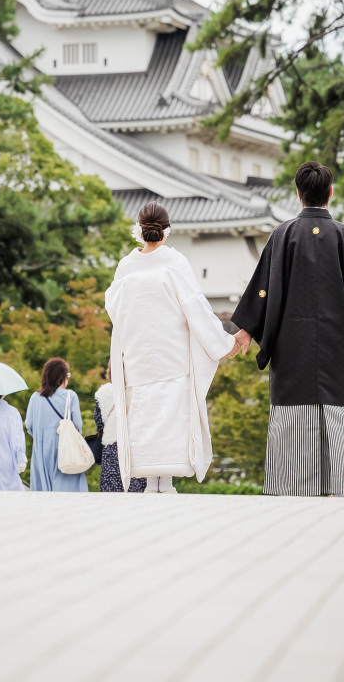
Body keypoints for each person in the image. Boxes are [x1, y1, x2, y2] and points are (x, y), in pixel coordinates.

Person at [232, 160, 344, 498]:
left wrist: (246, 329)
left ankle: (290, 490)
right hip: (337, 349)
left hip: (291, 348)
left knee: (291, 414)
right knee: (336, 412)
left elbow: (264, 289)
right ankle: (338, 490)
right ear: (329, 193)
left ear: (298, 194)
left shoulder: (282, 234)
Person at [105, 201, 241, 494]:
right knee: (170, 419)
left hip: (139, 359)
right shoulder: (174, 262)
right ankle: (165, 483)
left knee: (143, 419)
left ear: (139, 231)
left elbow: (114, 309)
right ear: (166, 231)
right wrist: (223, 342)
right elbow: (196, 308)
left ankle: (152, 484)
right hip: (172, 357)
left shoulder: (126, 267)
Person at [25, 357, 89, 492]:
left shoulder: (35, 398)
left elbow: (29, 424)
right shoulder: (70, 396)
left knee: (43, 489)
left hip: (41, 448)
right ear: (62, 377)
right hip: (64, 446)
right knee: (66, 489)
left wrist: (41, 435)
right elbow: (78, 424)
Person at [94, 364, 146, 493]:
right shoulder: (139, 390)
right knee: (136, 490)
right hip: (135, 447)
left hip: (111, 447)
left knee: (111, 490)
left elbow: (99, 422)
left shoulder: (103, 392)